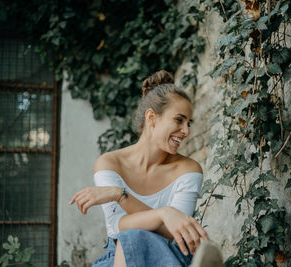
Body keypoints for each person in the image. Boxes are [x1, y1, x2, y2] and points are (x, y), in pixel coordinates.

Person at [69, 70, 210, 267]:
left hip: (171, 253)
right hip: (118, 256)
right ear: (152, 117)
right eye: (179, 120)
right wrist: (164, 214)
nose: (186, 131)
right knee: (132, 238)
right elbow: (120, 227)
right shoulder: (110, 163)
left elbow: (175, 233)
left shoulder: (188, 169)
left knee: (137, 236)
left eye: (188, 123)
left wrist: (120, 195)